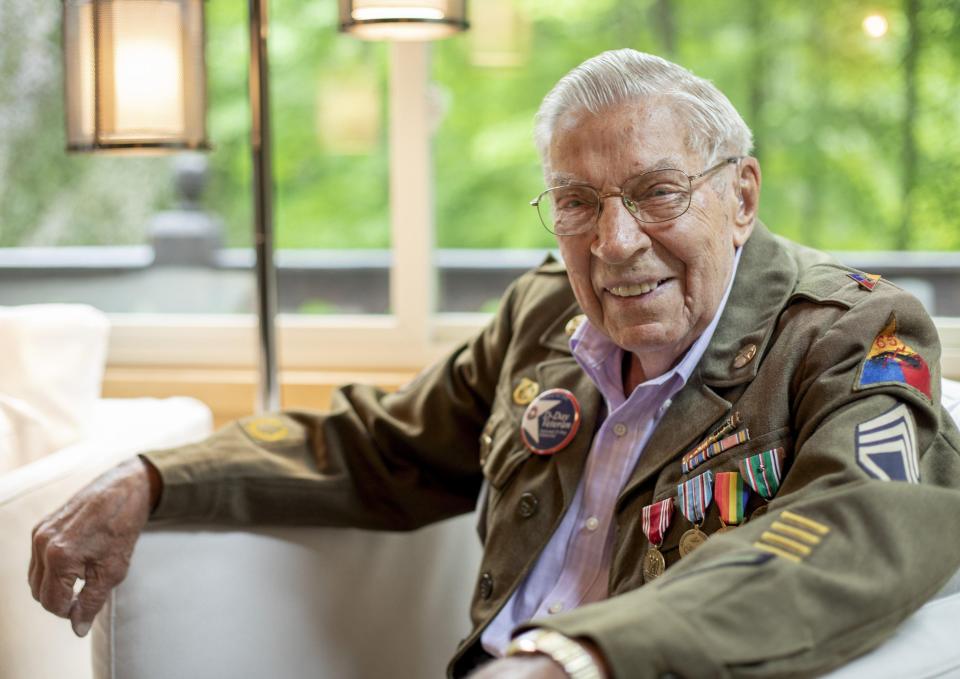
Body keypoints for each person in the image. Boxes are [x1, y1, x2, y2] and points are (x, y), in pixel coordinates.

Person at [30, 49, 960, 679]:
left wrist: (578, 655)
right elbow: (381, 447)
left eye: (656, 193)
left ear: (741, 194)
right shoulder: (544, 313)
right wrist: (154, 476)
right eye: (576, 202)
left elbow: (860, 525)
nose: (616, 241)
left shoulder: (851, 329)